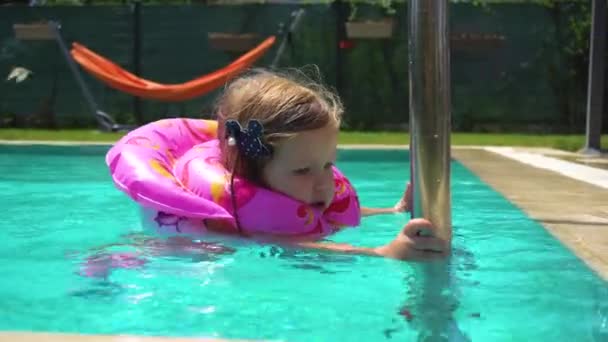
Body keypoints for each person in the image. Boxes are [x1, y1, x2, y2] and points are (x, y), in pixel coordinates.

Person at [206, 67, 448, 261]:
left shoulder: (303, 195)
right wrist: (383, 252)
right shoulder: (252, 223)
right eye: (302, 171)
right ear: (253, 170)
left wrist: (391, 211)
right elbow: (302, 246)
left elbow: (335, 215)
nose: (323, 183)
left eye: (327, 165)